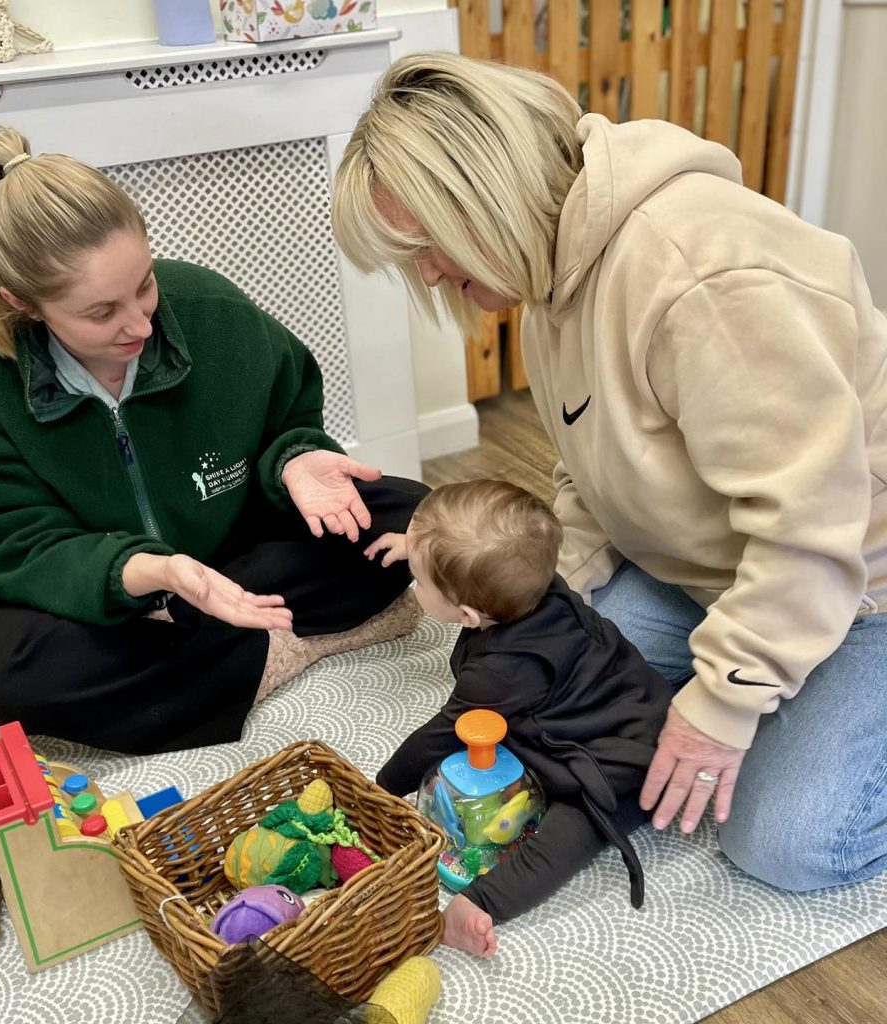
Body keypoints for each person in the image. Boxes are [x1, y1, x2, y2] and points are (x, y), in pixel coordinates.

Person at [332, 53, 887, 895]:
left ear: (484, 191)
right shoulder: (551, 283)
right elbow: (591, 468)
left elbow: (811, 525)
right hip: (715, 570)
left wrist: (725, 707)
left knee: (782, 840)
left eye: (427, 246)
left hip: (854, 581)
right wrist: (542, 583)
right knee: (561, 679)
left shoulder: (700, 274)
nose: (431, 275)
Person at [0, 126, 428, 755]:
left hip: (238, 554)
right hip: (121, 592)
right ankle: (281, 644)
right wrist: (152, 572)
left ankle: (224, 650)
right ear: (24, 304)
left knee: (414, 517)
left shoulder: (209, 308)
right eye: (101, 312)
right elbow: (23, 541)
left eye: (143, 285)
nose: (140, 322)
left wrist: (296, 461)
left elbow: (288, 421)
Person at [365, 479, 671, 956]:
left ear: (466, 614)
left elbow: (439, 737)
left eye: (420, 580)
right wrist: (418, 547)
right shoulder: (532, 586)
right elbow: (480, 560)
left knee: (566, 832)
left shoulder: (501, 674)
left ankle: (481, 903)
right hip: (620, 701)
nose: (414, 583)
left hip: (624, 764)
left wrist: (379, 789)